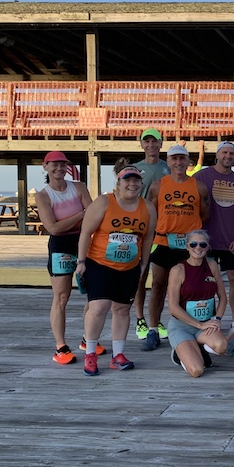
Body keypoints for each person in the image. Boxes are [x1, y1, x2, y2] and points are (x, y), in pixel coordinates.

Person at [75, 161, 157, 376]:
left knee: (122, 309)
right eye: (127, 180)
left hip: (129, 266)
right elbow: (85, 232)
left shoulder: (147, 207)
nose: (132, 184)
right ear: (118, 183)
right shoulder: (104, 203)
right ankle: (90, 353)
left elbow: (148, 239)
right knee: (99, 307)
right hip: (100, 263)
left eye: (136, 180)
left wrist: (143, 264)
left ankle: (118, 355)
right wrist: (81, 262)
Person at [143, 144, 210, 351]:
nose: (179, 163)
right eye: (174, 159)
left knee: (191, 288)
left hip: (189, 245)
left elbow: (205, 214)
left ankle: (192, 330)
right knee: (158, 285)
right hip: (164, 242)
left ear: (188, 161)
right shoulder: (158, 186)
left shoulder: (198, 187)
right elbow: (150, 213)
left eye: (182, 159)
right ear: (169, 161)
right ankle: (153, 329)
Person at [35, 150, 93, 365]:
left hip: (84, 242)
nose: (59, 169)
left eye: (63, 165)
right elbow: (53, 228)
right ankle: (60, 346)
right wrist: (80, 215)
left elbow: (93, 214)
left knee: (93, 295)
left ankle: (88, 339)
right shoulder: (42, 195)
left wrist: (78, 220)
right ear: (45, 167)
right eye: (54, 165)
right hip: (61, 246)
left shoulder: (79, 187)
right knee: (61, 297)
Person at [195, 140, 234, 328]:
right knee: (206, 281)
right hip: (206, 242)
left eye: (231, 154)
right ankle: (208, 320)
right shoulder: (201, 176)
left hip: (230, 241)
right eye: (224, 153)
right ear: (217, 155)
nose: (228, 156)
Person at [165, 229, 229, 377]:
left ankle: (196, 347)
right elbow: (173, 308)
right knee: (197, 370)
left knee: (221, 346)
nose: (198, 248)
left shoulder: (212, 265)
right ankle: (178, 353)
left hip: (205, 324)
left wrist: (217, 319)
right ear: (187, 247)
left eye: (202, 244)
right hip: (182, 326)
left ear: (207, 247)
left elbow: (223, 297)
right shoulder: (178, 270)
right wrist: (199, 325)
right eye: (193, 244)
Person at [133, 128, 171, 341]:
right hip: (140, 229)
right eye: (146, 141)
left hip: (161, 231)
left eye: (154, 141)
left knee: (160, 281)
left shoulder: (168, 168)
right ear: (142, 145)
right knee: (140, 276)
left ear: (160, 143)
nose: (150, 145)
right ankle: (140, 319)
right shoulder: (136, 169)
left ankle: (155, 320)